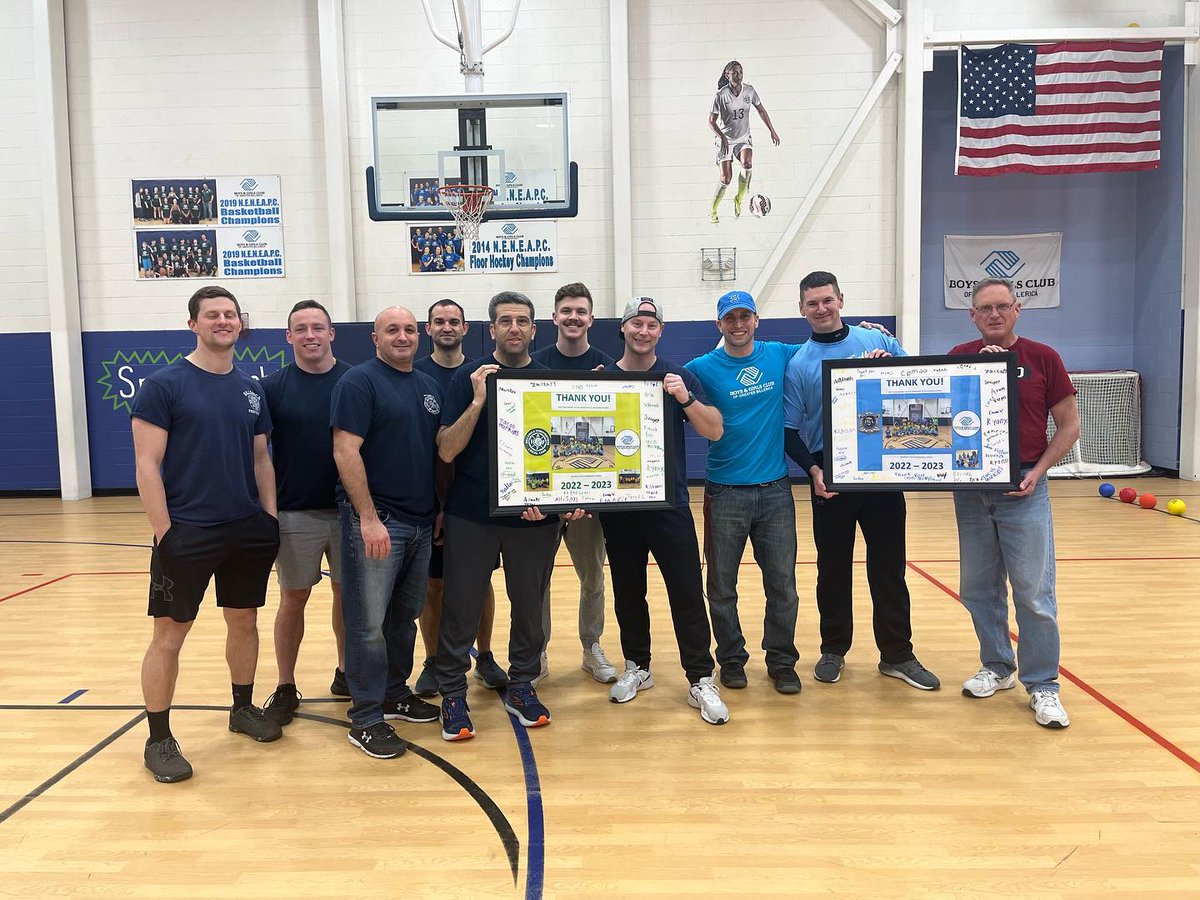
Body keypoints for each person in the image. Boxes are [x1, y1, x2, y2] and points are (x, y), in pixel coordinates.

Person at [132, 285, 282, 783]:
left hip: (246, 529)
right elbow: (147, 465)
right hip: (188, 532)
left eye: (230, 315)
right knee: (169, 637)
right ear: (193, 324)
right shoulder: (163, 385)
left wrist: (269, 517)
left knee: (244, 622)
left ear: (240, 324)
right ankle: (158, 738)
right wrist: (165, 531)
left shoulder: (250, 387)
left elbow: (261, 459)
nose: (223, 321)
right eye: (212, 315)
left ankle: (241, 708)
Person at [435, 291, 586, 741]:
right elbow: (446, 448)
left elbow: (570, 455)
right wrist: (480, 400)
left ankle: (522, 683)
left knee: (529, 607)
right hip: (472, 515)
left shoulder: (549, 380)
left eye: (522, 321)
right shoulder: (469, 376)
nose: (514, 328)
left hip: (533, 519)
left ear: (534, 329)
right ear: (492, 328)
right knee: (460, 607)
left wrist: (570, 499)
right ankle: (452, 694)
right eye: (505, 321)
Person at [783, 271, 940, 691]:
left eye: (827, 300)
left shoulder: (879, 342)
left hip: (883, 468)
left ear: (841, 300)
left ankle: (897, 654)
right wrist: (813, 471)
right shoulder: (799, 363)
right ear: (802, 309)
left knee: (888, 565)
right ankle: (833, 647)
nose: (821, 308)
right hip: (831, 475)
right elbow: (789, 429)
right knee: (832, 568)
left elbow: (921, 389)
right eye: (812, 303)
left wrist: (893, 373)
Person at [948, 277, 1079, 729]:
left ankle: (1043, 685)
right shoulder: (960, 359)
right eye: (985, 308)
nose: (994, 314)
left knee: (1034, 594)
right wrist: (976, 381)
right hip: (971, 492)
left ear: (1017, 309)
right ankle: (998, 667)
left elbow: (1068, 427)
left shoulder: (1044, 358)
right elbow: (945, 424)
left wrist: (1036, 472)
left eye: (1002, 306)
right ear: (973, 315)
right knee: (979, 589)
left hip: (1025, 488)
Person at [601, 297, 729, 724]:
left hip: (669, 503)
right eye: (635, 323)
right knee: (628, 592)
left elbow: (714, 429)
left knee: (687, 592)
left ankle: (699, 678)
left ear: (660, 331)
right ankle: (637, 666)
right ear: (623, 328)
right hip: (619, 506)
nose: (642, 331)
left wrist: (685, 397)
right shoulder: (601, 378)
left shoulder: (680, 376)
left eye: (651, 324)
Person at [331, 306, 443, 759]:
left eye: (409, 330)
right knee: (368, 626)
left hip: (420, 521)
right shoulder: (358, 382)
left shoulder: (427, 386)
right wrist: (368, 516)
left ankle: (395, 693)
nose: (402, 336)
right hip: (379, 523)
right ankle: (366, 717)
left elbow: (432, 454)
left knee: (403, 618)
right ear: (374, 337)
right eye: (392, 330)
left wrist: (437, 509)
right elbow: (345, 450)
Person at [684, 289, 802, 694]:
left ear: (756, 320)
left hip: (775, 493)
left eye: (744, 317)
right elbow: (650, 381)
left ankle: (782, 661)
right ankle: (731, 659)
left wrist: (873, 337)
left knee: (783, 585)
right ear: (719, 324)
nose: (738, 324)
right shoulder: (700, 367)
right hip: (724, 493)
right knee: (721, 586)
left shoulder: (780, 354)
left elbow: (828, 349)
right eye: (730, 318)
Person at [259, 300, 353, 727]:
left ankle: (347, 674)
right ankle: (284, 684)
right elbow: (260, 457)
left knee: (348, 597)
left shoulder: (355, 380)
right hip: (296, 512)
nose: (311, 335)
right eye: (302, 328)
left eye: (319, 327)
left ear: (332, 333)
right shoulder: (273, 388)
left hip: (351, 510)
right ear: (289, 336)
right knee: (294, 597)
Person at [412, 299, 506, 696]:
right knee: (434, 586)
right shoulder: (413, 375)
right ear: (428, 329)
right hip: (429, 499)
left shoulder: (486, 373)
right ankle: (433, 660)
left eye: (454, 321)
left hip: (476, 499)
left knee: (480, 580)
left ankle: (484, 656)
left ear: (468, 328)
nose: (446, 327)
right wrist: (435, 504)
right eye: (439, 321)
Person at [531, 282, 618, 685]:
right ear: (554, 318)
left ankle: (591, 647)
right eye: (566, 311)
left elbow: (614, 436)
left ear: (591, 319)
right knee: (538, 578)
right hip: (544, 495)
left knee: (593, 576)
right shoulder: (533, 365)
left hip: (590, 497)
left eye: (580, 311)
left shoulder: (609, 368)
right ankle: (537, 651)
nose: (573, 318)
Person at [708, 60, 780, 224]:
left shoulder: (749, 91)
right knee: (726, 178)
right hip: (725, 139)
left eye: (740, 72)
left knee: (747, 163)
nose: (738, 75)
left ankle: (739, 199)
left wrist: (772, 131)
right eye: (734, 72)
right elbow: (711, 122)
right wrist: (722, 137)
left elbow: (761, 110)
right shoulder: (720, 96)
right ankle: (713, 210)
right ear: (728, 75)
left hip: (743, 137)